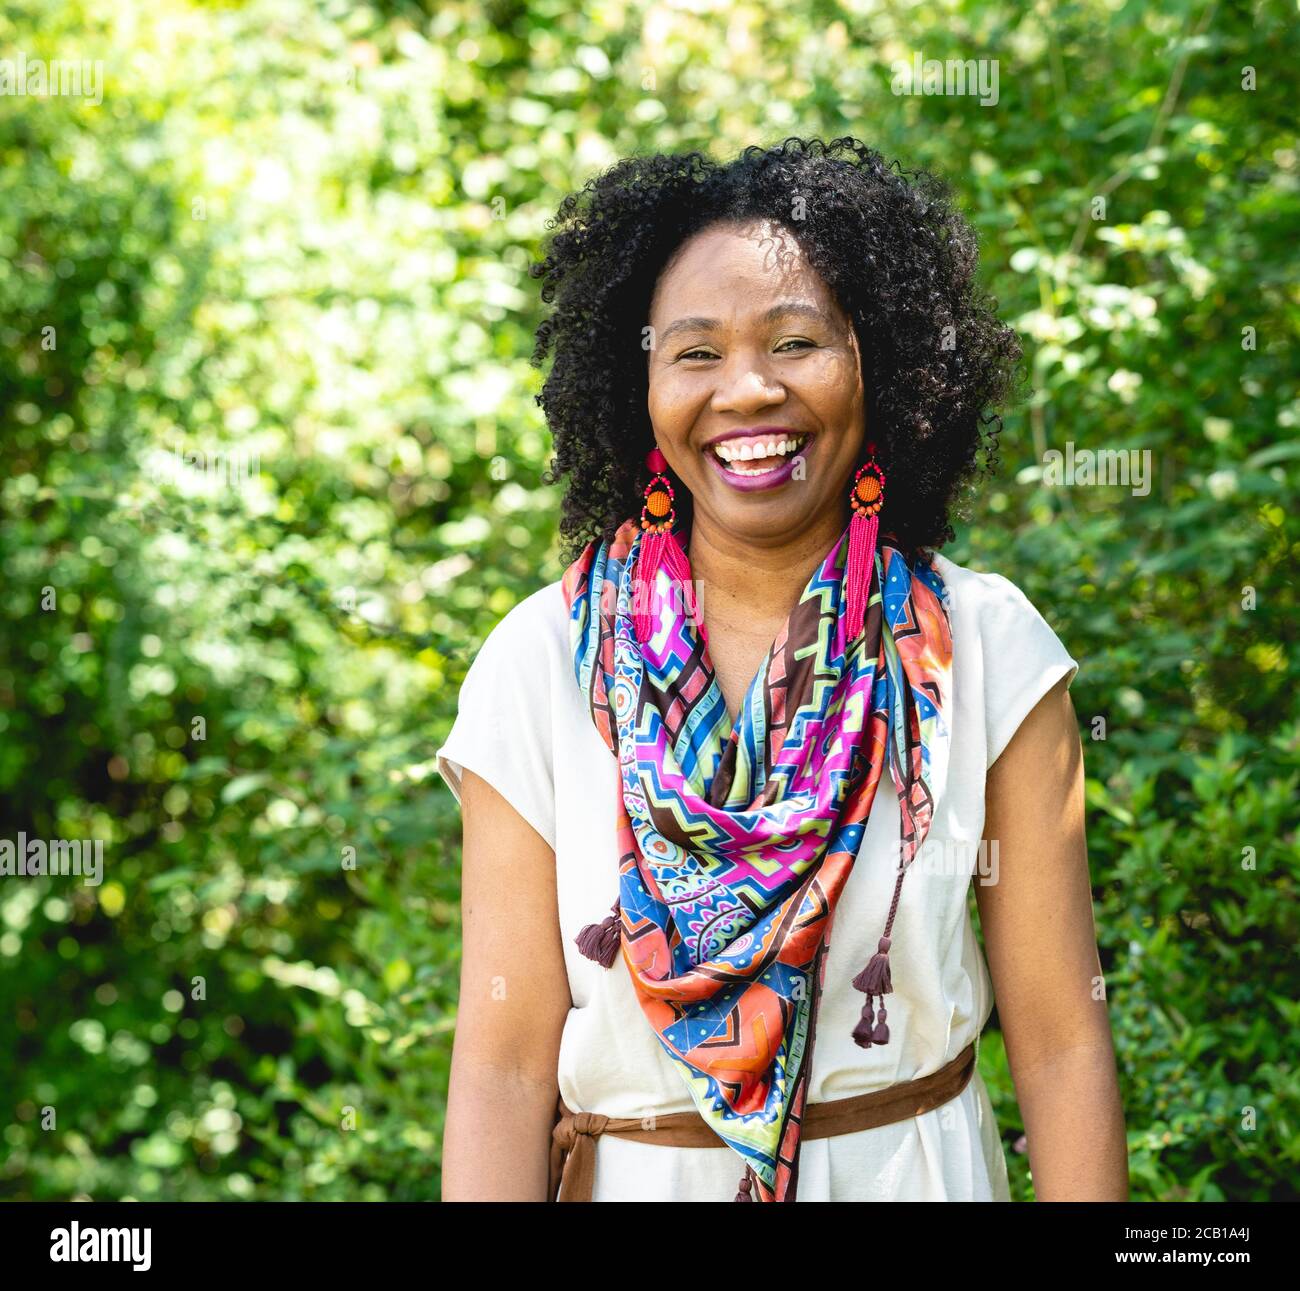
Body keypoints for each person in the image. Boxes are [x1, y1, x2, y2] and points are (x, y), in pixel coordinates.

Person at [435, 137, 1128, 1202]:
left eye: (796, 341)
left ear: (880, 364)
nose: (747, 390)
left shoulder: (986, 645)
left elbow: (1059, 1041)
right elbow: (501, 1065)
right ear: (639, 387)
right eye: (696, 353)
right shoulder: (538, 665)